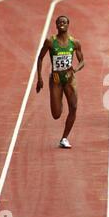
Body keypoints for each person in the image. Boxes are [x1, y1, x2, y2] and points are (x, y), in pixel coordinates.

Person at [36, 15, 85, 148]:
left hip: (69, 79)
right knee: (56, 114)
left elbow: (82, 61)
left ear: (68, 25)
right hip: (56, 80)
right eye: (59, 22)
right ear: (56, 25)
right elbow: (40, 58)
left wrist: (74, 70)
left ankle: (64, 138)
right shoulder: (50, 42)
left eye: (64, 22)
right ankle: (59, 100)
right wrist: (39, 78)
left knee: (74, 108)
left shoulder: (74, 43)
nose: (62, 24)